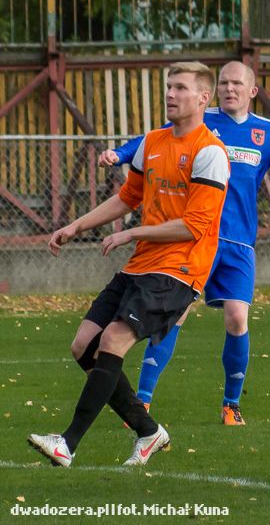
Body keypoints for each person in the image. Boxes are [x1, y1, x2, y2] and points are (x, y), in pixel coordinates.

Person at [98, 61, 270, 426]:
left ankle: (231, 404)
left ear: (252, 91)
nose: (229, 89)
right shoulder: (200, 120)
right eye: (223, 82)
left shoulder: (267, 132)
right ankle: (141, 402)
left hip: (239, 243)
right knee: (174, 316)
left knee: (237, 318)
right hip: (195, 238)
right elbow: (152, 140)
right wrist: (120, 153)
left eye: (236, 83)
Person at [29, 61, 229, 467]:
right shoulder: (152, 141)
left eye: (181, 87)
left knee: (113, 340)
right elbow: (127, 197)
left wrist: (131, 233)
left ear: (203, 98)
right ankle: (148, 431)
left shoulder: (210, 152)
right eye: (169, 86)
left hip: (180, 270)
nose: (170, 94)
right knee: (83, 346)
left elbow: (193, 226)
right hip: (141, 264)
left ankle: (67, 444)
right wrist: (76, 226)